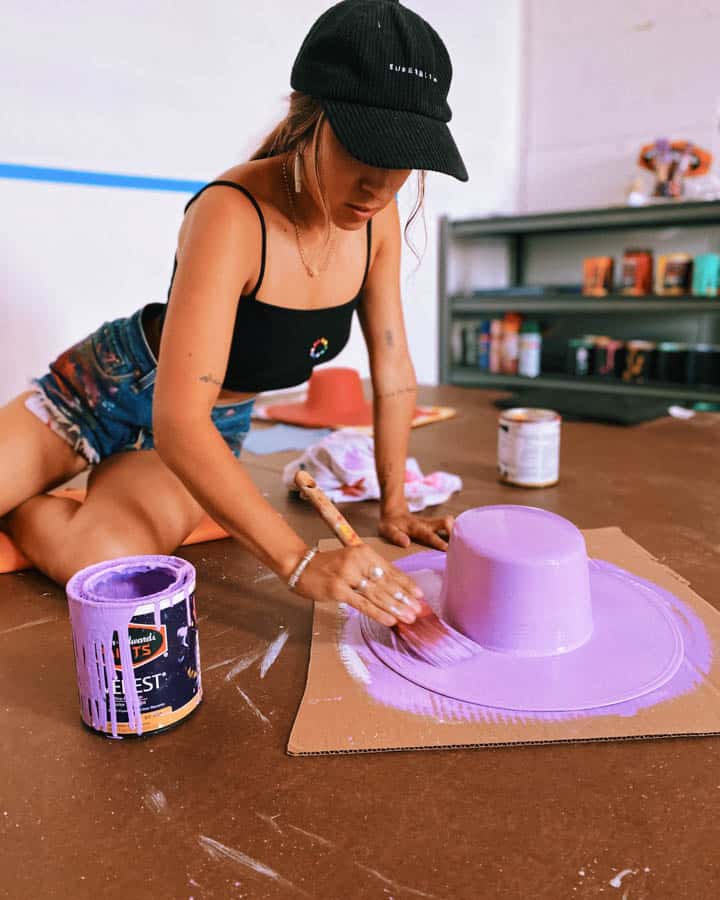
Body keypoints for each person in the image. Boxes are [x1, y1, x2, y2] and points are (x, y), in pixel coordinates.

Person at [0, 0, 468, 627]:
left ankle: (26, 501)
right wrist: (300, 564)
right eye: (365, 149)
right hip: (102, 390)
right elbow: (176, 417)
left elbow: (394, 369)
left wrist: (396, 507)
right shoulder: (231, 212)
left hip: (205, 430)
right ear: (311, 121)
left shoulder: (376, 223)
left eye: (404, 158)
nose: (379, 188)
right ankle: (42, 471)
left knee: (106, 562)